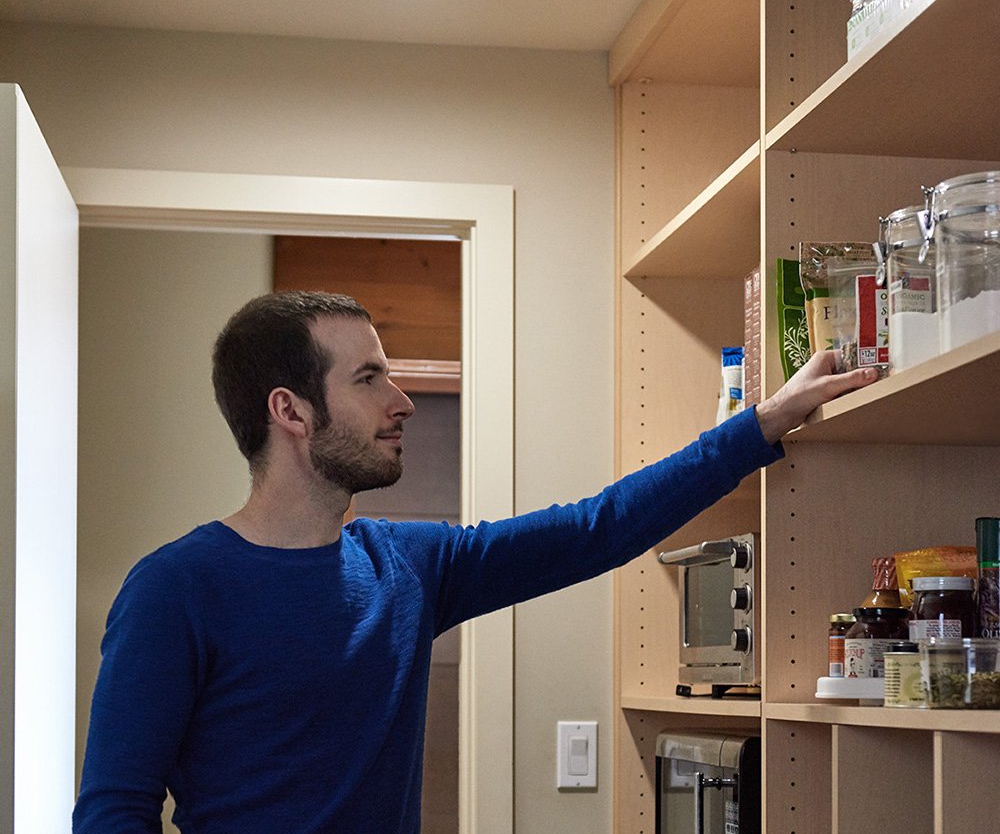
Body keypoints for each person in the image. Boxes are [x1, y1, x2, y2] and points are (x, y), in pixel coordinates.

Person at [73, 290, 876, 834]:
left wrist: (762, 422)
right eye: (369, 378)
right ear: (290, 410)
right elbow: (113, 810)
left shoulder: (407, 566)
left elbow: (596, 529)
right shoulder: (176, 589)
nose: (402, 400)